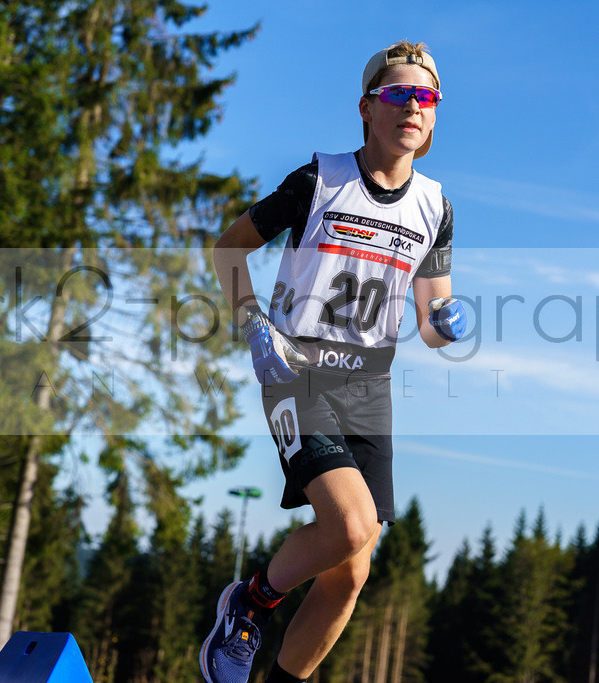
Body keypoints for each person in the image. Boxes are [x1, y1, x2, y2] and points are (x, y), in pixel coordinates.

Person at [200, 40, 466, 683]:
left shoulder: (436, 207)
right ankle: (249, 603)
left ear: (434, 119)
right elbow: (228, 249)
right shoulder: (319, 180)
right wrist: (252, 325)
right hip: (297, 370)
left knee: (351, 572)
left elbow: (431, 320)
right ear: (367, 108)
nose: (414, 107)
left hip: (369, 387)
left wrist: (447, 325)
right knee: (349, 524)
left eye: (425, 98)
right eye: (399, 94)